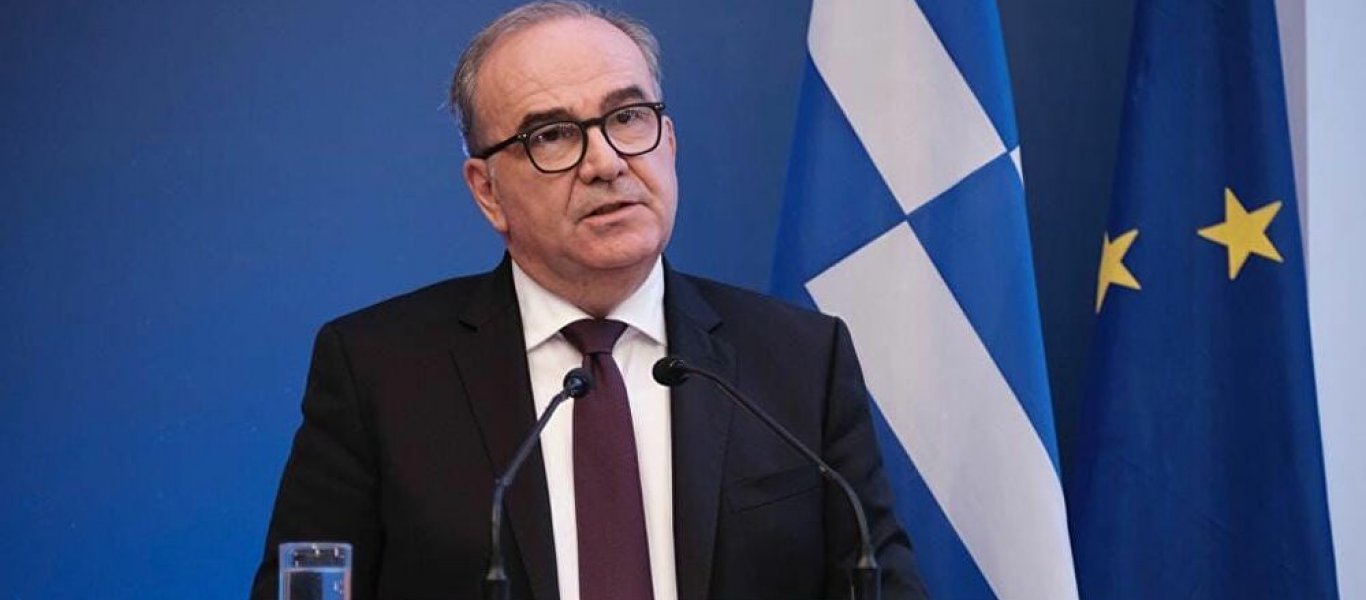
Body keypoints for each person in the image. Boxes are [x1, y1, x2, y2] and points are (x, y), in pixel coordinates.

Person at [249, 2, 927, 599]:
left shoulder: (800, 360)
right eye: (551, 135)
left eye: (628, 117)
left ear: (669, 143)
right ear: (487, 190)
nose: (605, 162)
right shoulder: (379, 373)